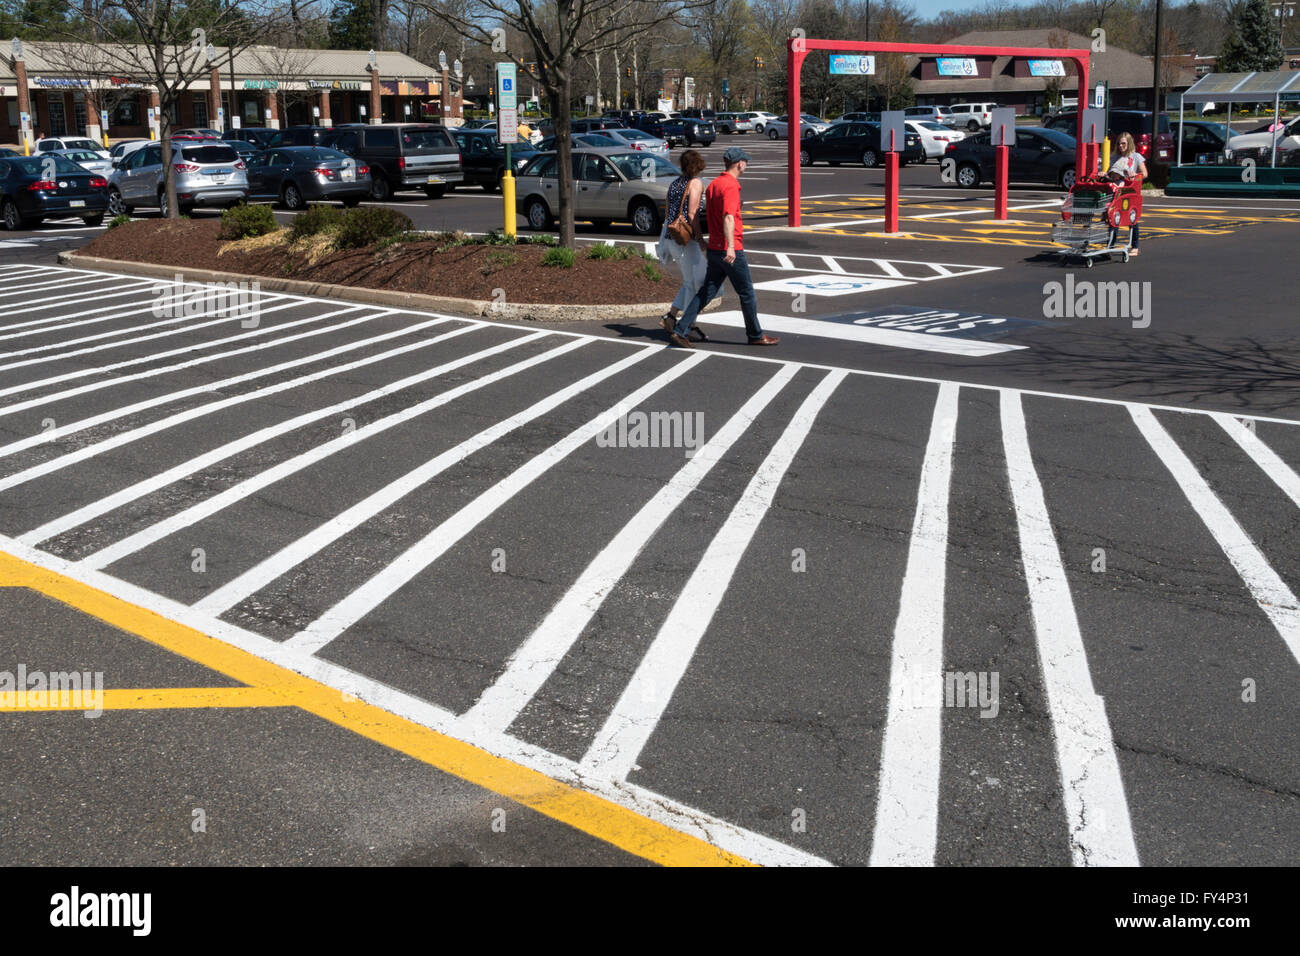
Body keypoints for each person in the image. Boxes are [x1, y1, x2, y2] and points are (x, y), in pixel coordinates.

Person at [667, 145, 779, 348]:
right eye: (745, 161)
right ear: (739, 163)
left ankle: (681, 329)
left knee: (706, 292)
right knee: (746, 292)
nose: (746, 164)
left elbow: (714, 215)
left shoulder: (713, 185)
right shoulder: (730, 186)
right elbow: (728, 218)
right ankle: (755, 334)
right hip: (730, 248)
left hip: (714, 248)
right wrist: (730, 247)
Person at [658, 148, 711, 342]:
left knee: (691, 282)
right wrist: (700, 239)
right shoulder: (695, 183)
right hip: (686, 241)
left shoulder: (675, 183)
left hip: (673, 238)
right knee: (699, 283)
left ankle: (671, 317)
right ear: (697, 165)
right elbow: (691, 214)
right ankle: (688, 326)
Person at [1107, 131, 1146, 256]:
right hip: (1116, 190)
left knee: (1131, 218)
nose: (1120, 146)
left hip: (1130, 190)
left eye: (1123, 143)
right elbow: (1109, 173)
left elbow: (1144, 173)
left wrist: (1135, 175)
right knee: (1114, 216)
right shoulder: (1114, 157)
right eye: (1119, 143)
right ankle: (1110, 245)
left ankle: (1135, 246)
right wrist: (1104, 174)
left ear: (1129, 143)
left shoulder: (1136, 157)